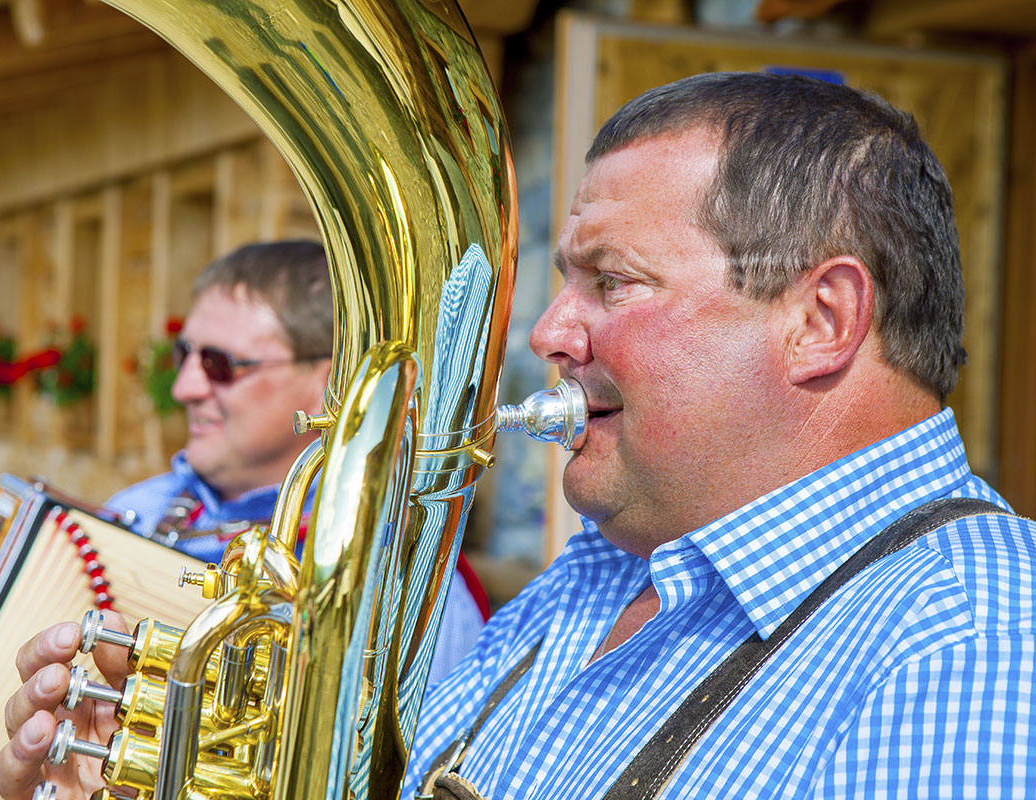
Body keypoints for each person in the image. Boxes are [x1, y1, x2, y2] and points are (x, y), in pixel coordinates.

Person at [402, 72, 1034, 798]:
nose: (549, 334)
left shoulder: (975, 640)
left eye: (612, 282)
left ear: (820, 321)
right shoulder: (601, 569)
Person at [0, 240, 486, 800]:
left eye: (220, 365)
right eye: (184, 356)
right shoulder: (139, 507)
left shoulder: (415, 587)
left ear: (331, 382)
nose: (184, 388)